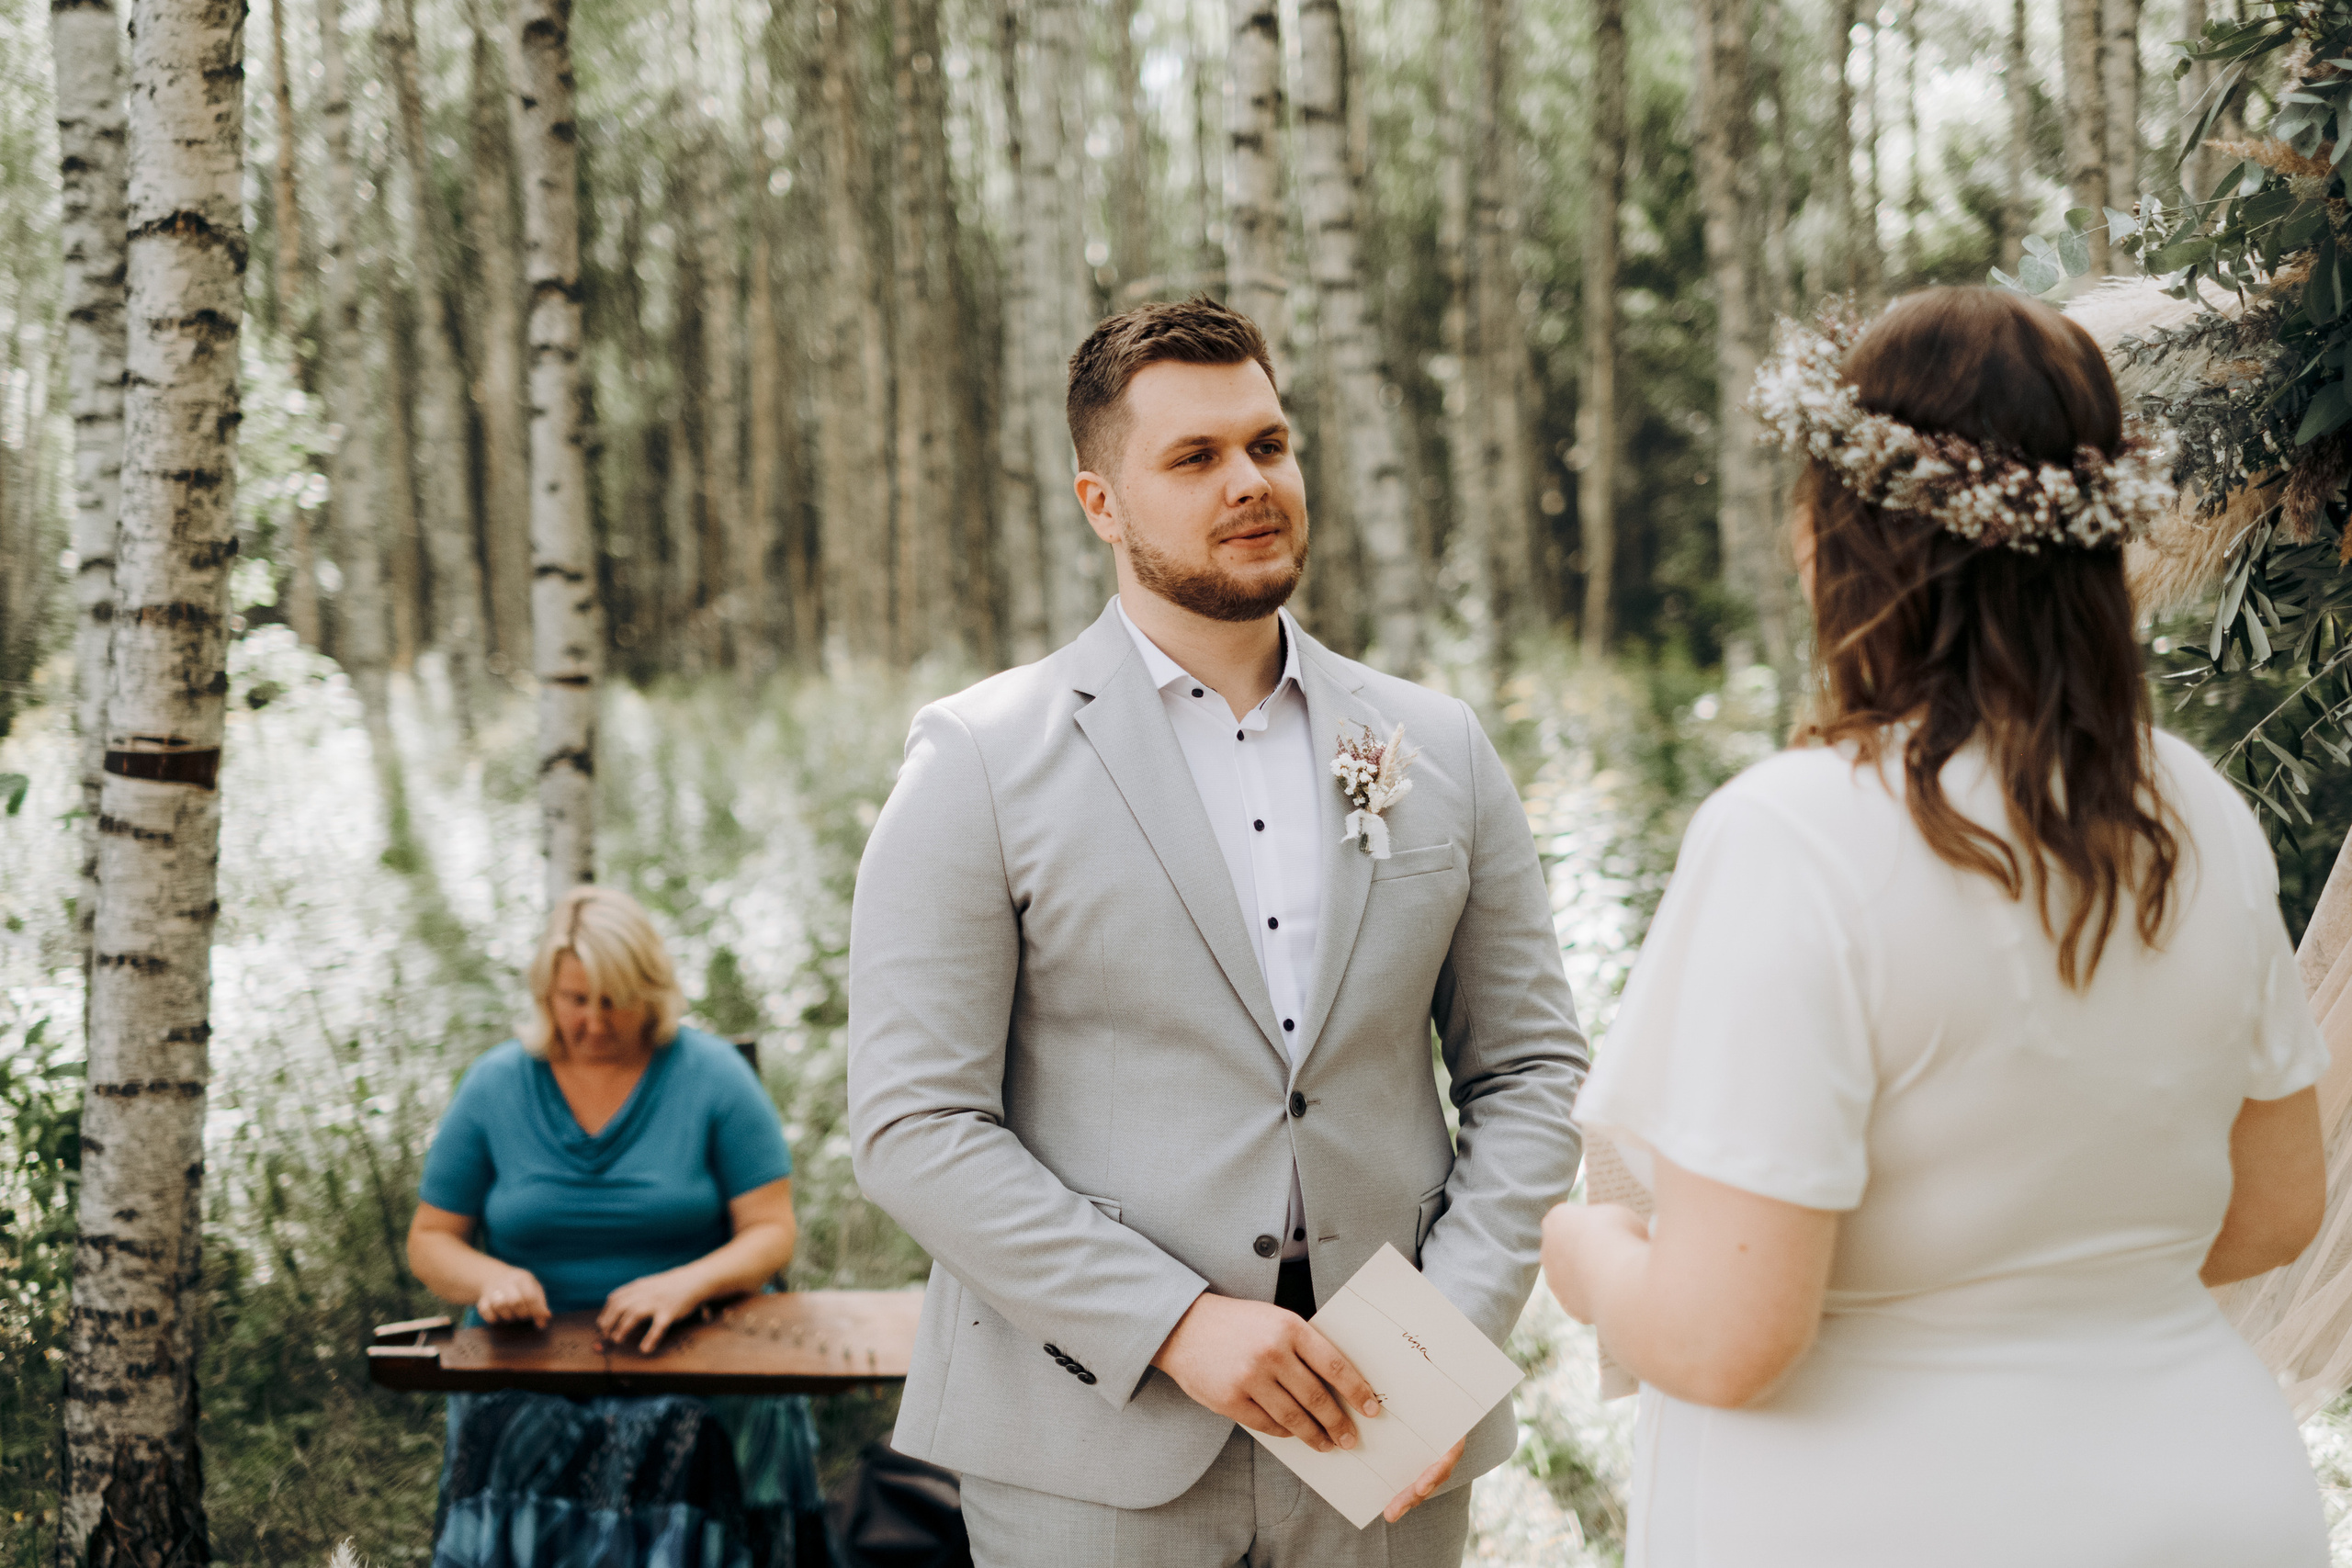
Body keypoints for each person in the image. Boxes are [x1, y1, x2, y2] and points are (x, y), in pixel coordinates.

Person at [1542, 287, 2331, 1567]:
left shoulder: (1795, 835)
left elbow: (1728, 1336)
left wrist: (1587, 1253)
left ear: (1837, 537)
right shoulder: (2199, 812)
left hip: (1902, 1516)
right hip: (2209, 1499)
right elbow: (2277, 1206)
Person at [845, 295, 1589, 1566]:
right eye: (1193, 458)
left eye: (1268, 444)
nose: (1248, 481)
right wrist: (1177, 1320)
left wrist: (1441, 1344)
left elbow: (1529, 1072)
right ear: (1101, 504)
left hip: (1389, 1440)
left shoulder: (1433, 746)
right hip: (1096, 1438)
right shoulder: (978, 757)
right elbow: (915, 1124)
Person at [407, 886, 828, 1567]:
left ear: (652, 992)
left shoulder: (713, 1076)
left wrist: (683, 1285)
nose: (594, 1021)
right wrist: (492, 1278)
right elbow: (430, 1239)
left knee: (688, 1436)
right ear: (548, 993)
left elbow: (771, 1230)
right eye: (576, 999)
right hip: (531, 1359)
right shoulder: (494, 1085)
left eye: (614, 1000)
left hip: (696, 1348)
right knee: (507, 1431)